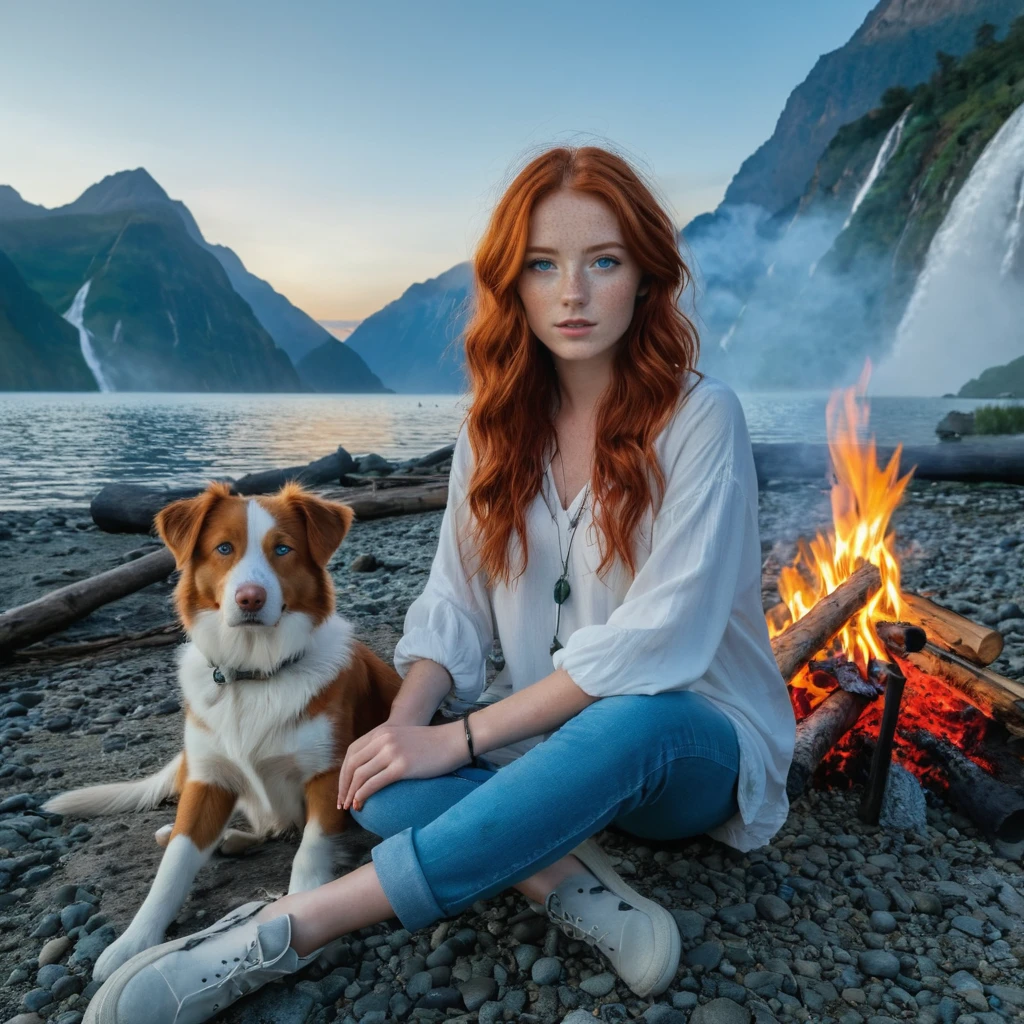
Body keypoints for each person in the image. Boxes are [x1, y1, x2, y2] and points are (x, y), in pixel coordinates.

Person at [82, 144, 797, 1024]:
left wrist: (457, 745)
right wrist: (409, 726)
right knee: (373, 779)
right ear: (514, 285)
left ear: (646, 276)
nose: (572, 293)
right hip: (536, 742)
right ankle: (566, 879)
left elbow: (661, 646)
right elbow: (453, 608)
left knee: (635, 714)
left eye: (602, 261)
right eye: (544, 265)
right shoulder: (492, 434)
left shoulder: (701, 417)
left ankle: (287, 928)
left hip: (687, 744)